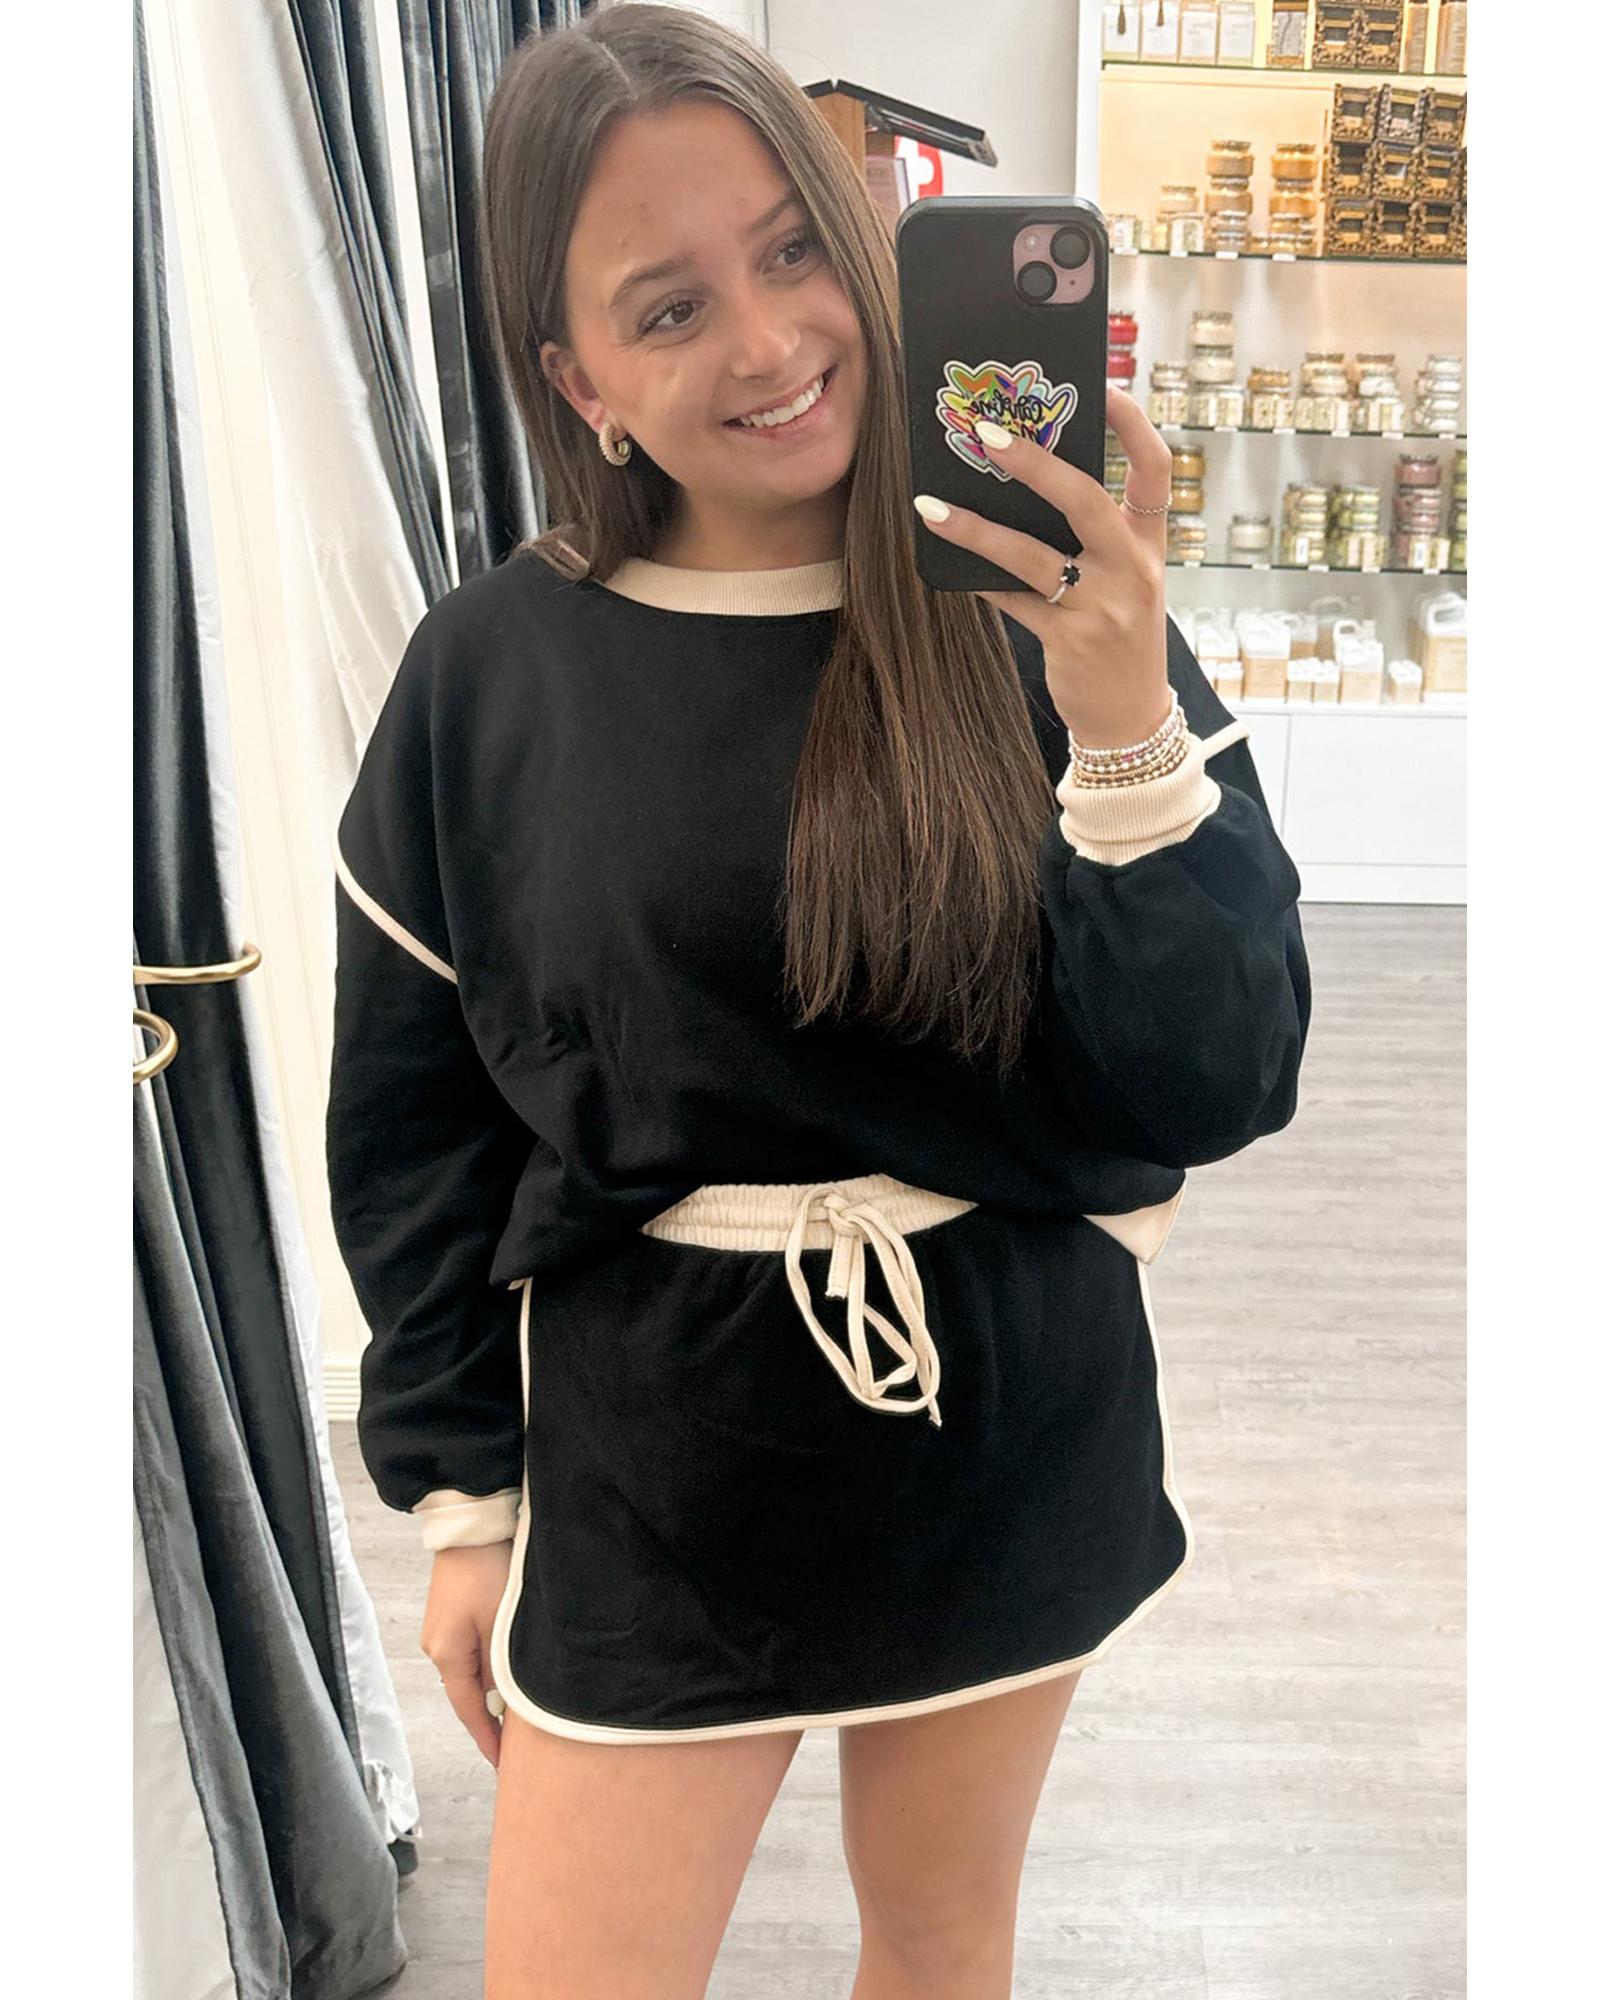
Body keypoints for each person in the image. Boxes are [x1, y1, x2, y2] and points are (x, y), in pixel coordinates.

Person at [324, 8, 1312, 1997]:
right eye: (669, 305)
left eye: (794, 251)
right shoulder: (492, 674)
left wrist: (1124, 714)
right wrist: (462, 1495)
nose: (771, 341)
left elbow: (1215, 1071)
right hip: (659, 1454)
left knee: (939, 1946)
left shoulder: (1045, 612)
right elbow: (414, 1124)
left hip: (999, 1419)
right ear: (575, 378)